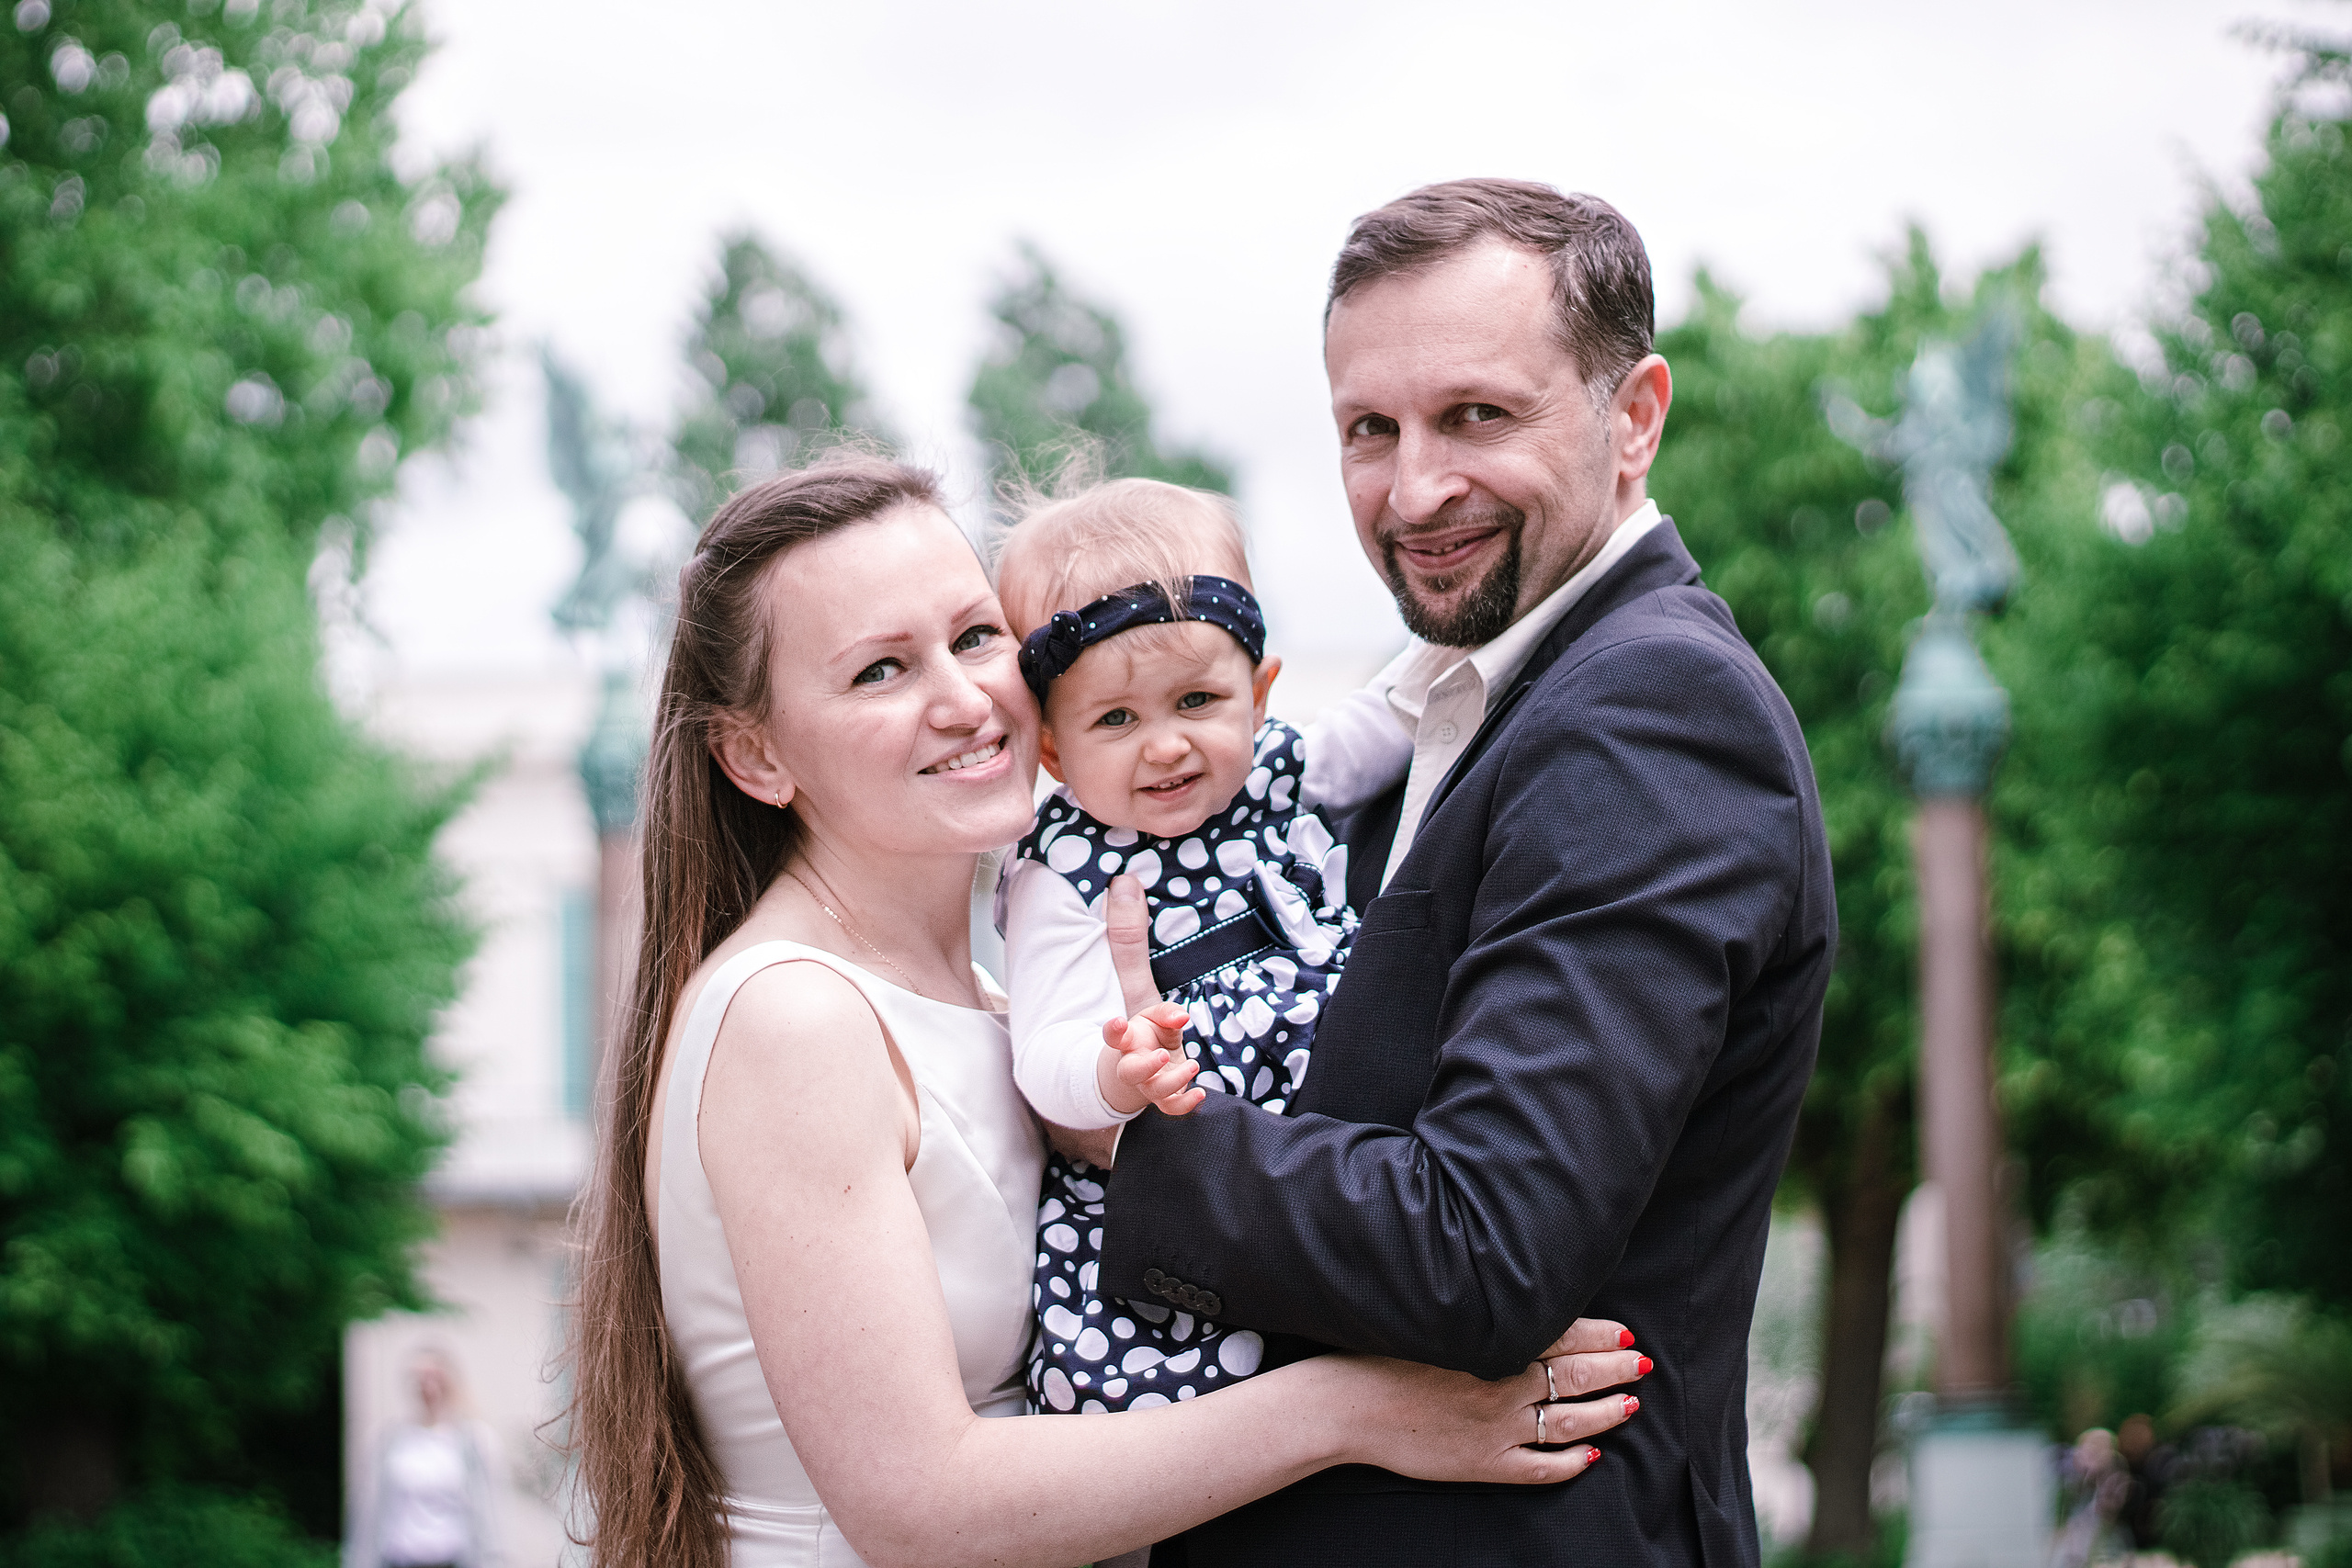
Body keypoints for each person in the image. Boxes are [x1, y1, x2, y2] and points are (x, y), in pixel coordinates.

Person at [563, 452, 1651, 1568]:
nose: (964, 697)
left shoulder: (999, 1001)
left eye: (975, 637)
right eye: (881, 671)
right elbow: (921, 1506)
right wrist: (1362, 1410)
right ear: (755, 754)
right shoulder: (796, 1019)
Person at [1092, 179, 1838, 1565]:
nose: (1415, 487)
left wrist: (1131, 1140)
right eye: (1369, 430)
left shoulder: (1652, 709)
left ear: (1635, 416)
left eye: (1476, 417)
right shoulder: (1446, 711)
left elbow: (1484, 1244)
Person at [991, 476, 1414, 1416]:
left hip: (1332, 1180)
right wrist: (1116, 1076)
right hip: (1171, 1222)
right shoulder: (1065, 869)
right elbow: (1046, 1047)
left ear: (1258, 694)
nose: (1166, 747)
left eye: (1196, 699)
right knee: (1186, 1421)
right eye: (1116, 719)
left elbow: (1406, 711)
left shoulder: (1279, 769)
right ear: (1053, 749)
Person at [353, 1348, 499, 1568]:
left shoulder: (473, 1442)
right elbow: (367, 1514)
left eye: (435, 1378)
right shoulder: (388, 1440)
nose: (427, 1386)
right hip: (398, 1559)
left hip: (451, 1560)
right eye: (420, 1379)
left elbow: (491, 1517)